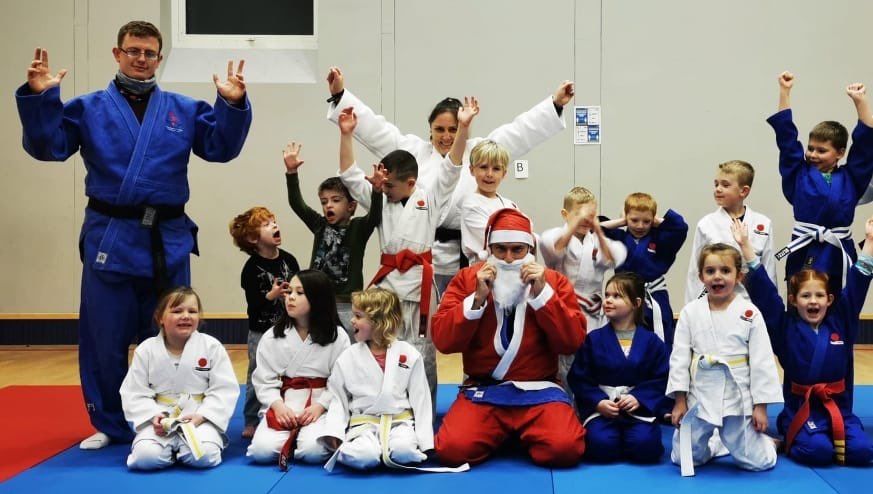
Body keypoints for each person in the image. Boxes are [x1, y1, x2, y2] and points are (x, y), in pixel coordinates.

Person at [14, 21, 252, 449]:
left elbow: (221, 148)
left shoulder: (183, 109)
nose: (141, 59)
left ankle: (168, 415)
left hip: (167, 238)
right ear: (117, 53)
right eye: (133, 51)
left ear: (159, 58)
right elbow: (49, 147)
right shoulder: (88, 108)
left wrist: (232, 105)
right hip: (112, 235)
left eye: (149, 53)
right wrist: (40, 100)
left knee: (172, 333)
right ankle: (110, 422)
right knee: (103, 335)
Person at [325, 66, 575, 293]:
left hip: (467, 254)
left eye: (453, 129)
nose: (446, 136)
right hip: (422, 252)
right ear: (430, 129)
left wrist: (554, 104)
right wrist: (340, 96)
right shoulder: (413, 150)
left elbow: (519, 132)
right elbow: (376, 129)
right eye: (440, 129)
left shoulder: (478, 152)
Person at [336, 96, 478, 406]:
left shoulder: (430, 198)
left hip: (419, 285)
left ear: (411, 182)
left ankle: (423, 412)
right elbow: (349, 175)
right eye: (383, 185)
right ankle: (388, 405)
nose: (383, 189)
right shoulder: (380, 199)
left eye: (390, 186)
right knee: (384, 346)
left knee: (422, 351)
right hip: (388, 286)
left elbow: (452, 168)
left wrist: (464, 129)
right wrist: (346, 134)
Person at [432, 208, 586, 467]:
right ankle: (511, 434)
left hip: (540, 390)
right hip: (485, 390)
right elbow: (444, 342)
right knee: (452, 450)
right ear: (489, 249)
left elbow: (572, 342)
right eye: (500, 249)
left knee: (565, 448)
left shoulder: (553, 282)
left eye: (517, 250)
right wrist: (477, 299)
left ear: (530, 249)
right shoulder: (468, 279)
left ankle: (508, 434)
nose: (508, 258)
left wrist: (543, 295)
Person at [734, 216, 873, 466]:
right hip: (802, 409)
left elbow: (857, 286)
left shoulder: (842, 321)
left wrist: (870, 242)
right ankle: (788, 431)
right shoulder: (785, 327)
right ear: (793, 300)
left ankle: (829, 437)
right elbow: (766, 294)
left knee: (863, 452)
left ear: (830, 300)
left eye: (819, 295)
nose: (813, 301)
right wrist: (746, 247)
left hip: (839, 408)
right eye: (806, 296)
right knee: (818, 452)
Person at [668, 244, 783, 476]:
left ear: (739, 276)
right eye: (710, 271)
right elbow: (679, 359)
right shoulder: (690, 312)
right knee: (684, 458)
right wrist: (680, 401)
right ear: (701, 277)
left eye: (725, 270)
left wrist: (761, 406)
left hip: (737, 398)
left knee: (759, 462)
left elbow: (761, 362)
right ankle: (716, 443)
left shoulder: (750, 313)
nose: (717, 276)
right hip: (699, 395)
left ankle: (767, 444)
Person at [321, 288, 464, 472]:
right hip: (364, 425)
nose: (352, 320)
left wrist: (426, 442)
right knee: (363, 455)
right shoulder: (348, 357)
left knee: (404, 451)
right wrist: (334, 432)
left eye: (358, 316)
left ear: (379, 322)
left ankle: (390, 449)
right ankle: (369, 450)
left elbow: (420, 399)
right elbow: (338, 398)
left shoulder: (409, 354)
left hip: (400, 423)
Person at [767, 71, 873, 296]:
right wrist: (785, 91)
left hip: (838, 250)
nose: (813, 154)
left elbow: (865, 146)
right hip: (804, 249)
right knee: (800, 302)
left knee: (841, 304)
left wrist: (860, 102)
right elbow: (786, 139)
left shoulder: (851, 178)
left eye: (821, 150)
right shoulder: (798, 173)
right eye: (810, 148)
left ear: (840, 153)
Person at [119, 287, 239, 470]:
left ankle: (181, 449)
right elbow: (134, 391)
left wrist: (202, 416)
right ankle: (170, 451)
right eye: (177, 311)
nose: (186, 316)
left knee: (204, 456)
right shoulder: (146, 350)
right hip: (161, 418)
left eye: (192, 311)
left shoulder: (211, 347)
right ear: (160, 317)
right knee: (145, 458)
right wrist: (153, 416)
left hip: (199, 416)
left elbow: (224, 389)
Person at [246, 270, 351, 470]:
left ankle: (300, 440)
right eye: (289, 292)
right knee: (261, 452)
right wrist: (278, 406)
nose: (290, 297)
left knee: (313, 453)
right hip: (285, 403)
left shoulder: (337, 337)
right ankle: (293, 439)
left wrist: (320, 406)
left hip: (320, 404)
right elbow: (264, 380)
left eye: (299, 293)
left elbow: (341, 381)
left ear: (318, 298)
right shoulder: (272, 336)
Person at [283, 140, 384, 337]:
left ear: (351, 206)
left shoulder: (358, 228)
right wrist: (291, 173)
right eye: (324, 202)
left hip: (346, 303)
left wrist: (377, 190)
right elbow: (297, 204)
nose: (328, 205)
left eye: (336, 200)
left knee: (348, 343)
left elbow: (375, 215)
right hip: (317, 300)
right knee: (319, 342)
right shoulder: (319, 225)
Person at [567, 272, 669, 464]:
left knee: (645, 446)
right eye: (607, 295)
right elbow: (579, 378)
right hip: (603, 410)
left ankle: (634, 440)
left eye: (617, 296)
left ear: (636, 303)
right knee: (600, 445)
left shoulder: (652, 342)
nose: (608, 300)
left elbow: (661, 378)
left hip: (638, 410)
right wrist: (598, 402)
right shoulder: (593, 339)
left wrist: (639, 398)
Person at [540, 186, 627, 397]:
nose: (584, 219)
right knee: (564, 363)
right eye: (578, 213)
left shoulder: (597, 241)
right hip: (563, 309)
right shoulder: (555, 236)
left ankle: (592, 406)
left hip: (594, 312)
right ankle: (564, 404)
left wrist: (598, 231)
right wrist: (574, 225)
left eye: (590, 215)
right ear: (565, 214)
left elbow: (615, 258)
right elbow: (552, 249)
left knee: (592, 360)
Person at [229, 207, 301, 439]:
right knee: (256, 373)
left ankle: (290, 410)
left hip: (288, 328)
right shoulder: (251, 268)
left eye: (274, 221)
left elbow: (300, 287)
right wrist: (272, 295)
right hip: (261, 330)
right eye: (267, 224)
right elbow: (254, 303)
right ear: (253, 238)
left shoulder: (289, 259)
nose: (275, 225)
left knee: (290, 371)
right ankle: (251, 419)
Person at [601, 192, 688, 349]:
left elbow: (680, 228)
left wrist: (657, 221)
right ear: (626, 217)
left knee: (661, 331)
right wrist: (622, 221)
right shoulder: (619, 238)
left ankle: (662, 362)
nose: (640, 226)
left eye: (646, 221)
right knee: (623, 333)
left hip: (655, 294)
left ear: (653, 220)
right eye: (634, 220)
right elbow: (595, 228)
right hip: (625, 295)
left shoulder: (660, 238)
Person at [684, 160, 775, 304]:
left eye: (725, 185)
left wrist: (771, 307)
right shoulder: (706, 225)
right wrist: (692, 309)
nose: (718, 189)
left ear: (743, 191)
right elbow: (695, 272)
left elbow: (769, 270)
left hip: (751, 303)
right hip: (715, 300)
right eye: (716, 184)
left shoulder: (763, 223)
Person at [459, 139, 519, 265]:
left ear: (504, 173)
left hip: (513, 269)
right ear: (472, 170)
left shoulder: (510, 205)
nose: (489, 174)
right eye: (483, 167)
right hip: (483, 270)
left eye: (496, 169)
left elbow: (527, 236)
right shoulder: (471, 204)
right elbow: (498, 239)